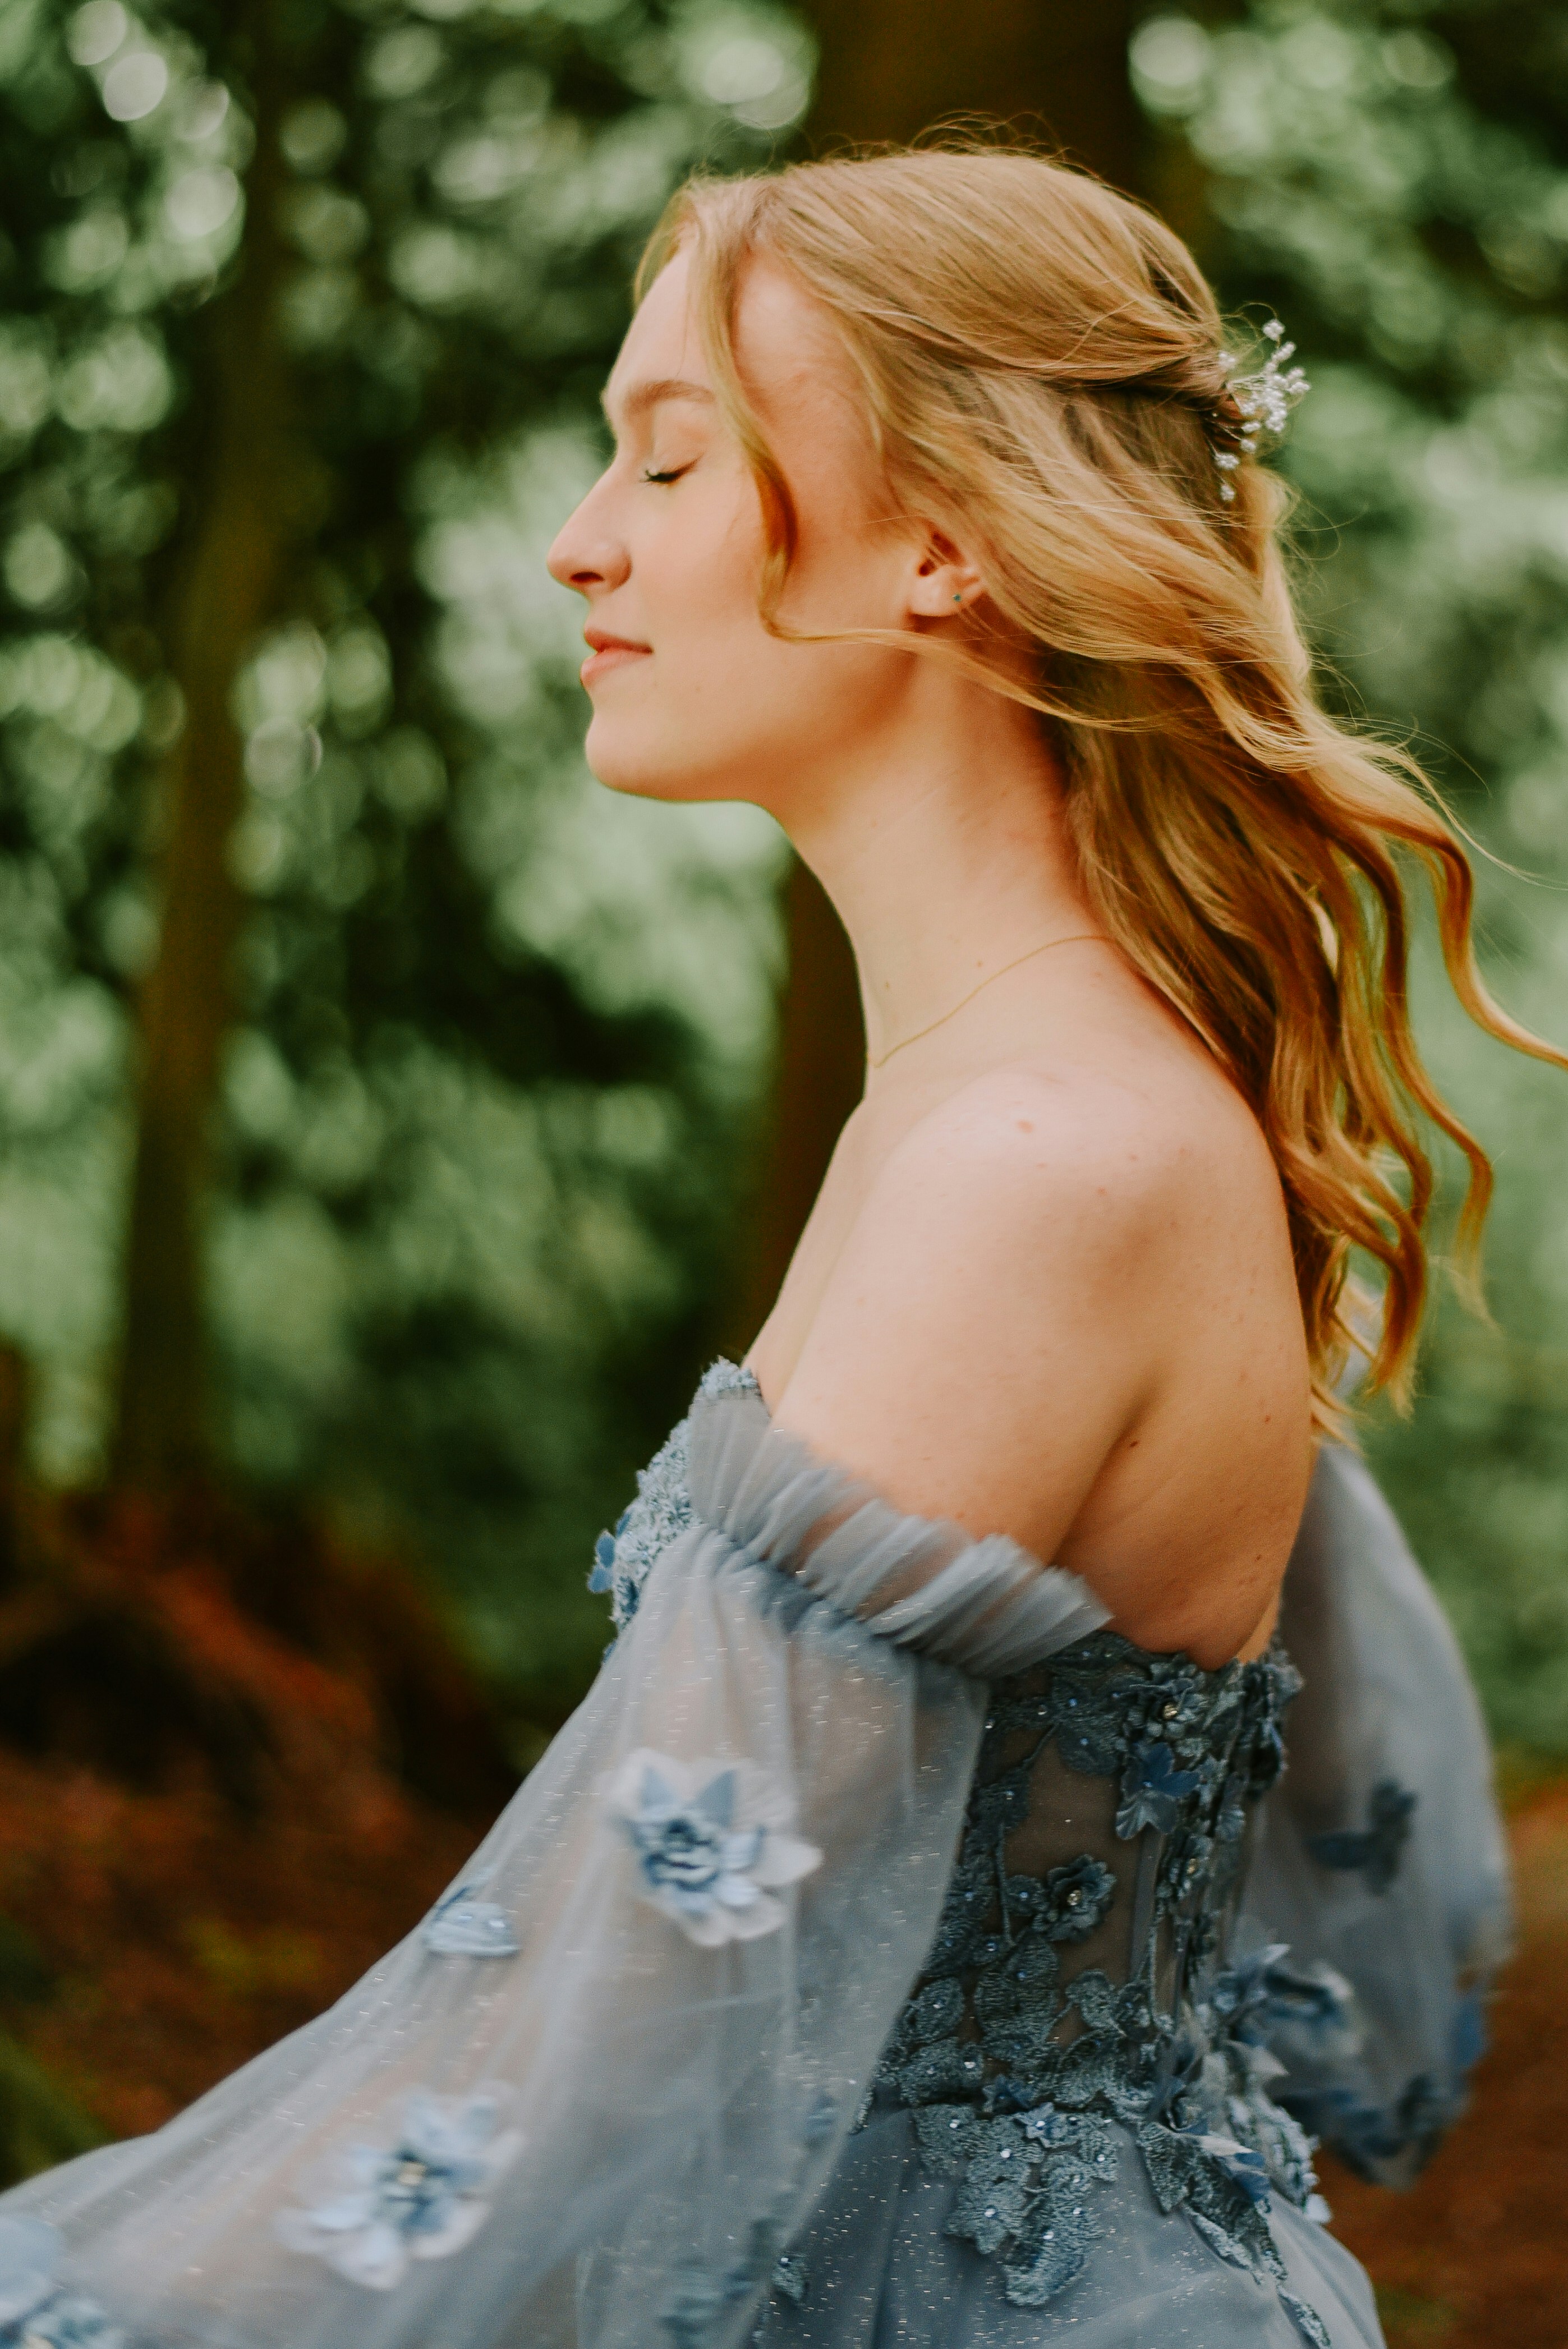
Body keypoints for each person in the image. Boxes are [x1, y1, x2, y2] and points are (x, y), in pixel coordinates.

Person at [0, 146, 1553, 2349]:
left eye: (670, 456)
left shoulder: (1031, 1158)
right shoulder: (993, 1103)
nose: (580, 538)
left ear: (940, 543)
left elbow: (616, 2034)